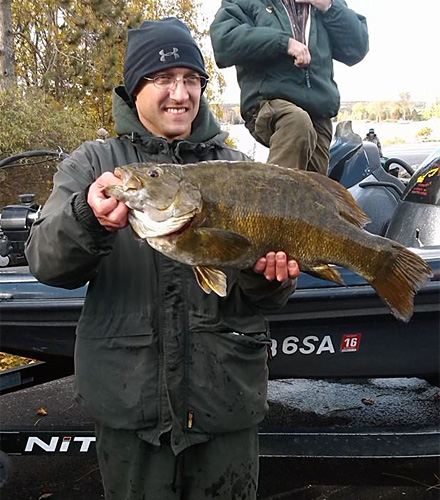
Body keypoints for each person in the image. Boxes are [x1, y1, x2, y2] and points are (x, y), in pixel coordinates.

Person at [25, 17, 300, 500]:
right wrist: (88, 219)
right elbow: (47, 261)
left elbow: (264, 295)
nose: (181, 93)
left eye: (192, 79)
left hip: (225, 401)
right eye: (163, 79)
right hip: (131, 405)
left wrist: (269, 279)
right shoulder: (95, 167)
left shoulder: (239, 170)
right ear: (135, 90)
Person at [210, 0, 369, 175]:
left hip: (318, 113)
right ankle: (267, 200)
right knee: (296, 122)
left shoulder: (323, 5)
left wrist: (329, 6)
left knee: (315, 190)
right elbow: (224, 41)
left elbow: (357, 48)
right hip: (268, 103)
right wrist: (283, 43)